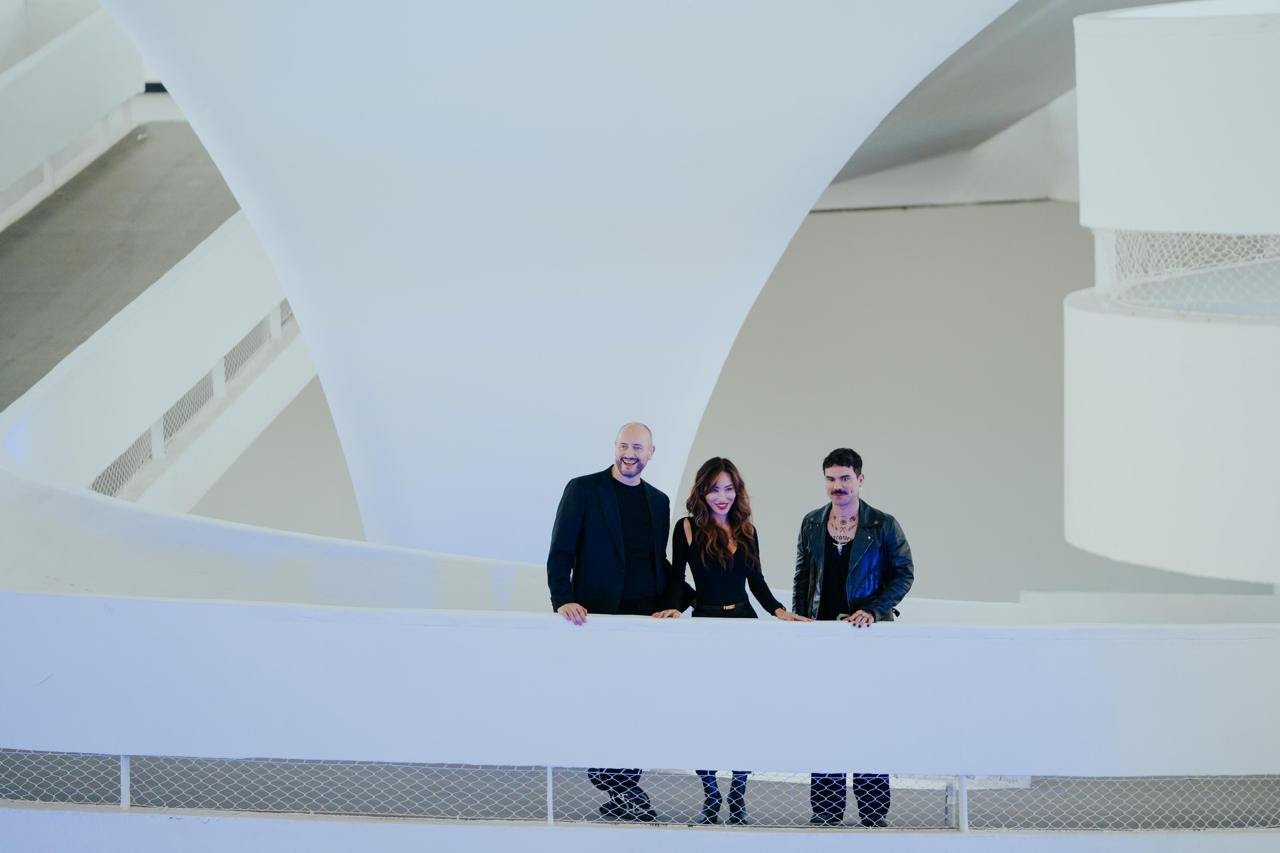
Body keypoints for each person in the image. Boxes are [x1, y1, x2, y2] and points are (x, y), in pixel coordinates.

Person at [655, 457, 810, 825]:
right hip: (706, 626)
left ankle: (738, 792)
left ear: (737, 491)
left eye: (728, 489)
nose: (721, 497)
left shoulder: (747, 530)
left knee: (746, 713)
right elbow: (677, 577)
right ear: (702, 491)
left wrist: (778, 611)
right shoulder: (687, 528)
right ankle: (710, 792)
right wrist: (672, 608)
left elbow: (757, 583)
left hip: (744, 625)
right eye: (714, 489)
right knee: (704, 714)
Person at [546, 422, 683, 822]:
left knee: (637, 706)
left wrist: (679, 600)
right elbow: (560, 552)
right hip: (597, 618)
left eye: (638, 448)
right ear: (615, 447)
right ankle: (618, 786)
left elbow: (657, 562)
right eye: (625, 445)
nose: (630, 454)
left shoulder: (658, 502)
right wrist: (563, 599)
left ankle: (623, 789)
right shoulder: (583, 489)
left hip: (645, 620)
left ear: (651, 453)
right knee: (601, 704)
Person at [792, 447, 914, 828]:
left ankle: (873, 812)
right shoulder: (812, 523)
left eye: (845, 478)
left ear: (860, 479)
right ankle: (826, 810)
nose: (837, 486)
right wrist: (800, 622)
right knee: (825, 723)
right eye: (830, 478)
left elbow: (904, 574)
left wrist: (875, 611)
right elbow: (802, 577)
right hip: (823, 641)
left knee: (869, 723)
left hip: (868, 642)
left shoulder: (883, 524)